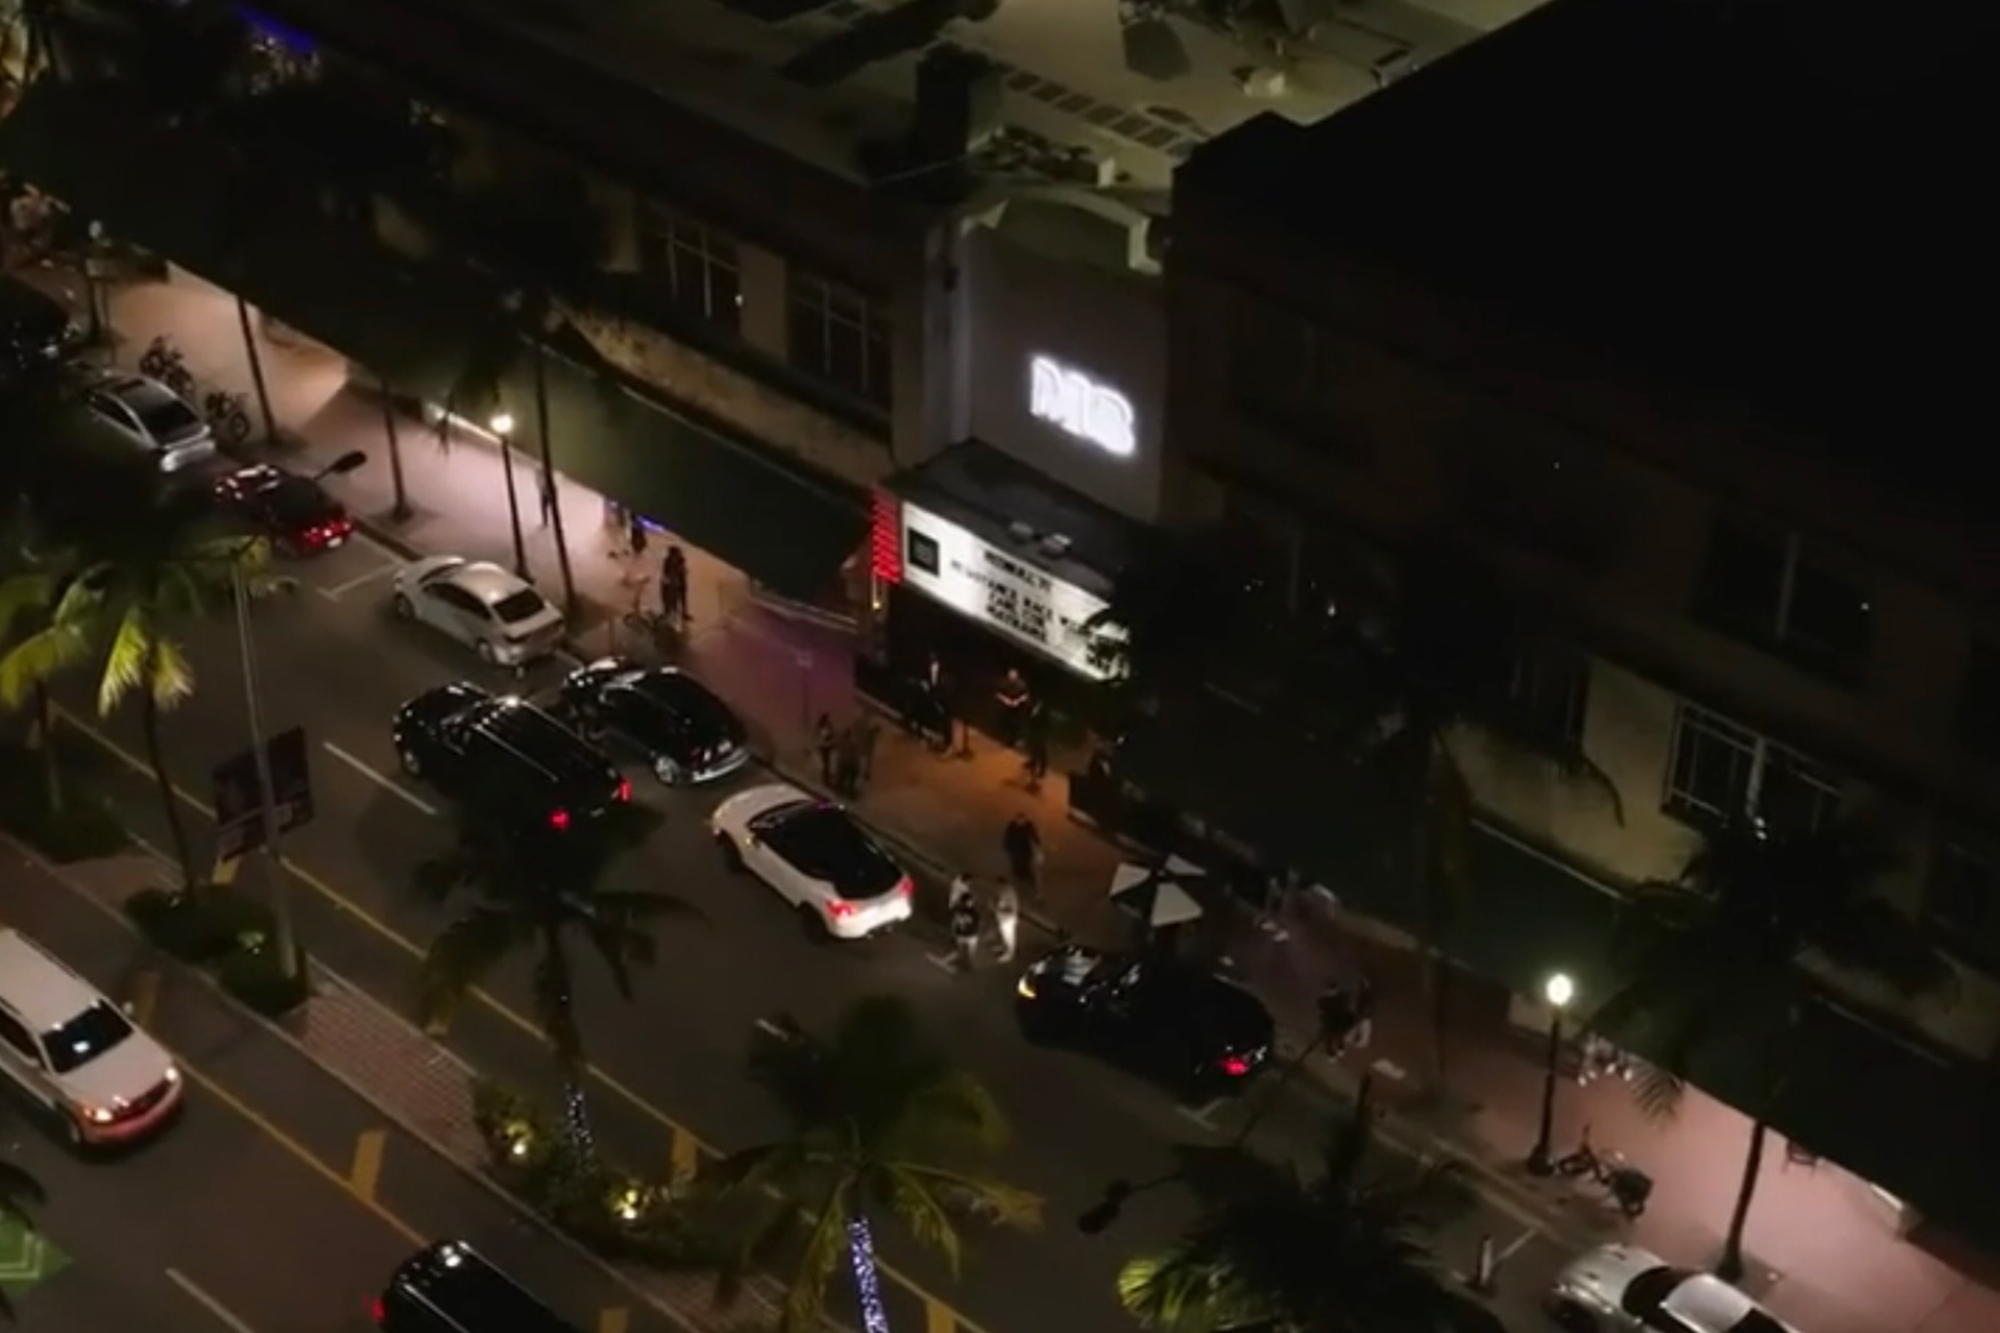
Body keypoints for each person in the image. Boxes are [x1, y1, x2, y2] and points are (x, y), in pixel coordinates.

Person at [1002, 814, 1042, 897]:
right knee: (1016, 865)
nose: (1020, 822)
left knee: (1026, 864)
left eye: (1022, 821)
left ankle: (1025, 878)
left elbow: (1034, 835)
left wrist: (1037, 843)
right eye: (1019, 821)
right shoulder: (1012, 826)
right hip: (1015, 850)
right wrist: (1007, 846)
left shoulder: (1028, 826)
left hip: (1025, 850)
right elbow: (1007, 836)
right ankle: (1020, 877)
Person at [949, 876, 981, 971]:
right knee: (970, 952)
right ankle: (968, 965)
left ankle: (962, 963)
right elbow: (977, 923)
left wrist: (954, 932)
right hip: (970, 935)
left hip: (961, 934)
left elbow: (955, 923)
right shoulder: (974, 912)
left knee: (961, 950)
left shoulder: (958, 910)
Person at [995, 668, 1029, 747]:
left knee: (1018, 724)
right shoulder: (1003, 683)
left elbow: (1026, 695)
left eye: (1014, 677)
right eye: (1010, 677)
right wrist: (1005, 700)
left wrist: (1018, 701)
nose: (1012, 679)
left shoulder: (1022, 684)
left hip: (1018, 708)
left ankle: (1018, 739)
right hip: (1006, 708)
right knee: (1006, 723)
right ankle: (1006, 739)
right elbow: (998, 693)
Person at [1023, 698, 1051, 787]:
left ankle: (1041, 770)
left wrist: (1042, 732)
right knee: (1036, 750)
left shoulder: (1043, 711)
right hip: (1035, 732)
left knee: (1040, 751)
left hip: (1040, 733)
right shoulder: (1035, 708)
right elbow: (1031, 718)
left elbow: (1044, 722)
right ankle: (1034, 763)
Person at [991, 881, 1020, 963]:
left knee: (1009, 938)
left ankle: (1009, 954)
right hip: (1003, 919)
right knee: (1004, 936)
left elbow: (1009, 910)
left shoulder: (1007, 895)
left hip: (1007, 920)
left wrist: (998, 909)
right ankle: (1004, 948)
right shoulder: (1006, 892)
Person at [660, 545, 689, 624]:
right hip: (673, 582)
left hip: (679, 581)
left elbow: (683, 570)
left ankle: (682, 613)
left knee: (681, 598)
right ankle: (670, 613)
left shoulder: (680, 560)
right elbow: (666, 572)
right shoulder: (668, 560)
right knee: (672, 599)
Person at [814, 713, 837, 786]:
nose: (828, 721)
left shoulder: (829, 727)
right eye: (827, 720)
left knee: (827, 764)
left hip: (827, 747)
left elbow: (832, 735)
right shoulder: (821, 728)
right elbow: (820, 738)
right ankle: (825, 779)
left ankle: (826, 779)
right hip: (823, 747)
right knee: (825, 764)